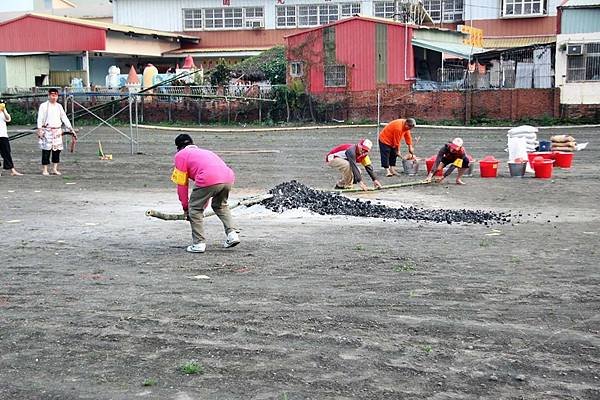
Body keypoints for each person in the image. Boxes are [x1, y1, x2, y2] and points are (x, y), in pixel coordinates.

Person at [172, 134, 240, 253]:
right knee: (221, 206)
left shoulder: (180, 155)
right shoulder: (205, 152)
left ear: (178, 147)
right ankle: (232, 234)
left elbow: (182, 184)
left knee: (195, 209)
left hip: (209, 179)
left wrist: (186, 208)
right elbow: (206, 191)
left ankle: (198, 244)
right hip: (228, 177)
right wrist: (202, 206)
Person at [36, 88, 75, 176]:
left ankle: (54, 168)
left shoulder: (59, 106)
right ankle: (45, 169)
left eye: (56, 96)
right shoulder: (43, 106)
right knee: (46, 150)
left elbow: (64, 117)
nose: (54, 97)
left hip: (57, 130)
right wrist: (39, 129)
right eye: (52, 95)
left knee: (57, 151)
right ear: (49, 95)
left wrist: (70, 128)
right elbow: (40, 118)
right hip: (47, 130)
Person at [0, 102, 23, 176]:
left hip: (3, 135)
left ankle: (12, 170)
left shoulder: (3, 110)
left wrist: (3, 111)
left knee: (7, 152)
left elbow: (8, 119)